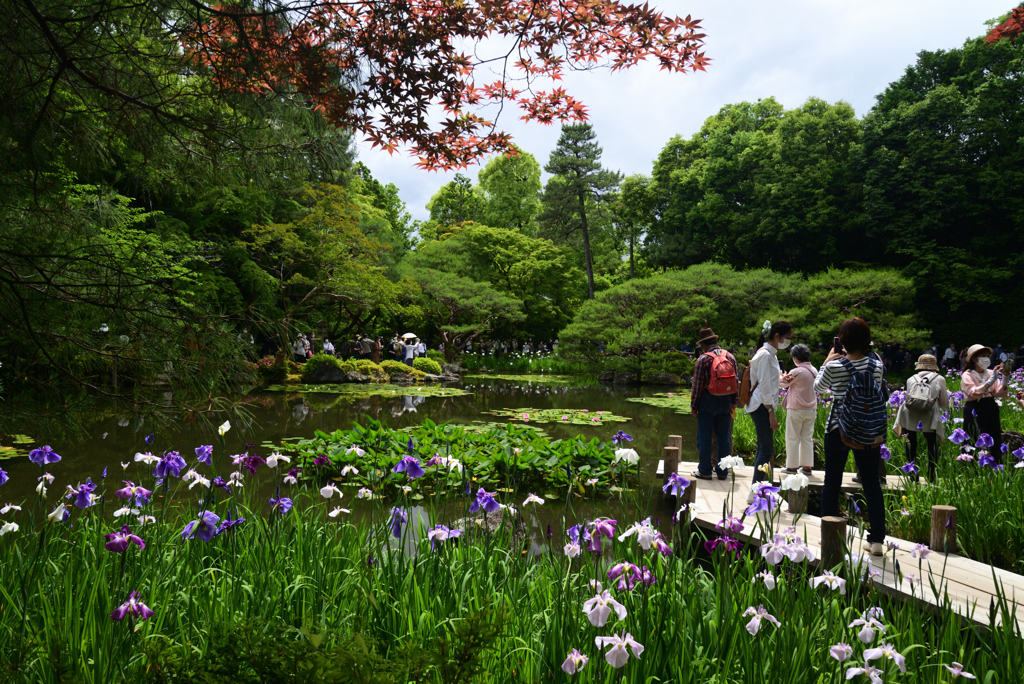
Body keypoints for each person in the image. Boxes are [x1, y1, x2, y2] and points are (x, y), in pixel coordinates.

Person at [814, 317, 887, 556]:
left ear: (842, 341)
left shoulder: (835, 366)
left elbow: (817, 388)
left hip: (839, 428)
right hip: (869, 428)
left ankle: (830, 537)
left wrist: (827, 361)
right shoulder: (877, 365)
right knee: (871, 483)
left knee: (832, 482)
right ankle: (876, 541)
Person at [745, 320, 793, 500]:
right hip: (761, 405)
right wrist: (771, 411)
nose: (788, 342)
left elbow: (769, 381)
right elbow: (764, 385)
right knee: (766, 449)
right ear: (777, 336)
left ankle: (756, 488)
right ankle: (755, 491)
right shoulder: (766, 355)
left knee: (763, 448)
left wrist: (783, 381)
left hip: (761, 404)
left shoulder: (770, 354)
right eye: (787, 338)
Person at [689, 328, 738, 481]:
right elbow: (735, 382)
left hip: (707, 401)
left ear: (703, 344)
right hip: (725, 400)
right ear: (715, 341)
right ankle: (723, 471)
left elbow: (697, 386)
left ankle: (704, 470)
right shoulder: (730, 356)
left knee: (704, 437)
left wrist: (694, 406)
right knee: (723, 437)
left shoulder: (703, 359)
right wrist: (733, 402)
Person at [895, 354, 949, 481]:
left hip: (909, 412)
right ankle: (931, 476)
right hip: (929, 413)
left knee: (911, 442)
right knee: (931, 443)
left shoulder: (910, 379)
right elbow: (944, 403)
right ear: (934, 367)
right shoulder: (939, 378)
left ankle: (913, 475)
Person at [961, 344, 1007, 464]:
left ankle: (995, 466)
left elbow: (998, 392)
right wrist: (990, 382)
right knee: (973, 436)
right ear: (974, 359)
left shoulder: (991, 373)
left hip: (990, 406)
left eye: (988, 356)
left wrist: (1005, 379)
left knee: (994, 436)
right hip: (974, 408)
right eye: (983, 356)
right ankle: (973, 468)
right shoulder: (968, 375)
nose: (987, 359)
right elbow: (974, 392)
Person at [780, 343, 818, 474]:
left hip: (796, 409)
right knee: (807, 438)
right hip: (811, 409)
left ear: (795, 357)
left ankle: (791, 466)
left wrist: (780, 376)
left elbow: (782, 384)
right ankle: (807, 467)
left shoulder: (797, 371)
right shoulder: (814, 370)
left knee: (792, 437)